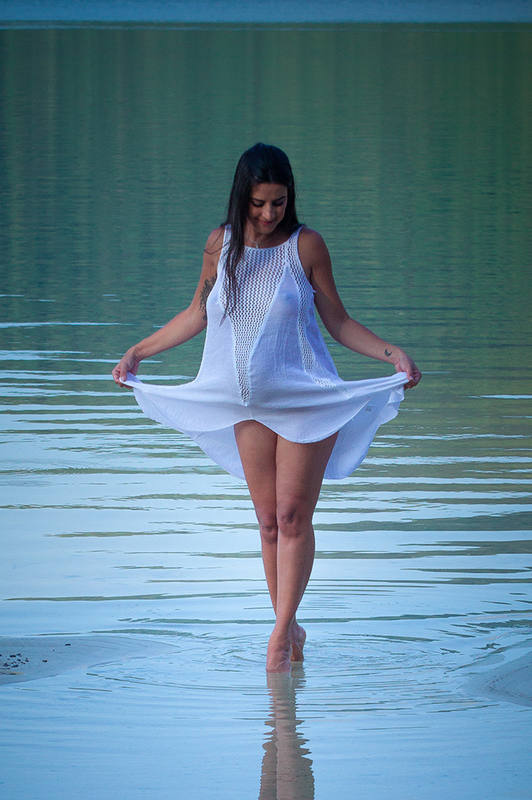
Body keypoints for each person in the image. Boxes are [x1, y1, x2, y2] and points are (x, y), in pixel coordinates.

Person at [112, 143, 420, 672]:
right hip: (243, 402)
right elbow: (195, 315)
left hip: (306, 401)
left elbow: (338, 322)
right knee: (268, 523)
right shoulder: (219, 245)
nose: (269, 213)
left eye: (278, 202)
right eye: (259, 203)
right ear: (242, 197)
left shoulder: (307, 246)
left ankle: (279, 635)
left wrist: (393, 355)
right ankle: (290, 625)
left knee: (293, 515)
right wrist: (138, 351)